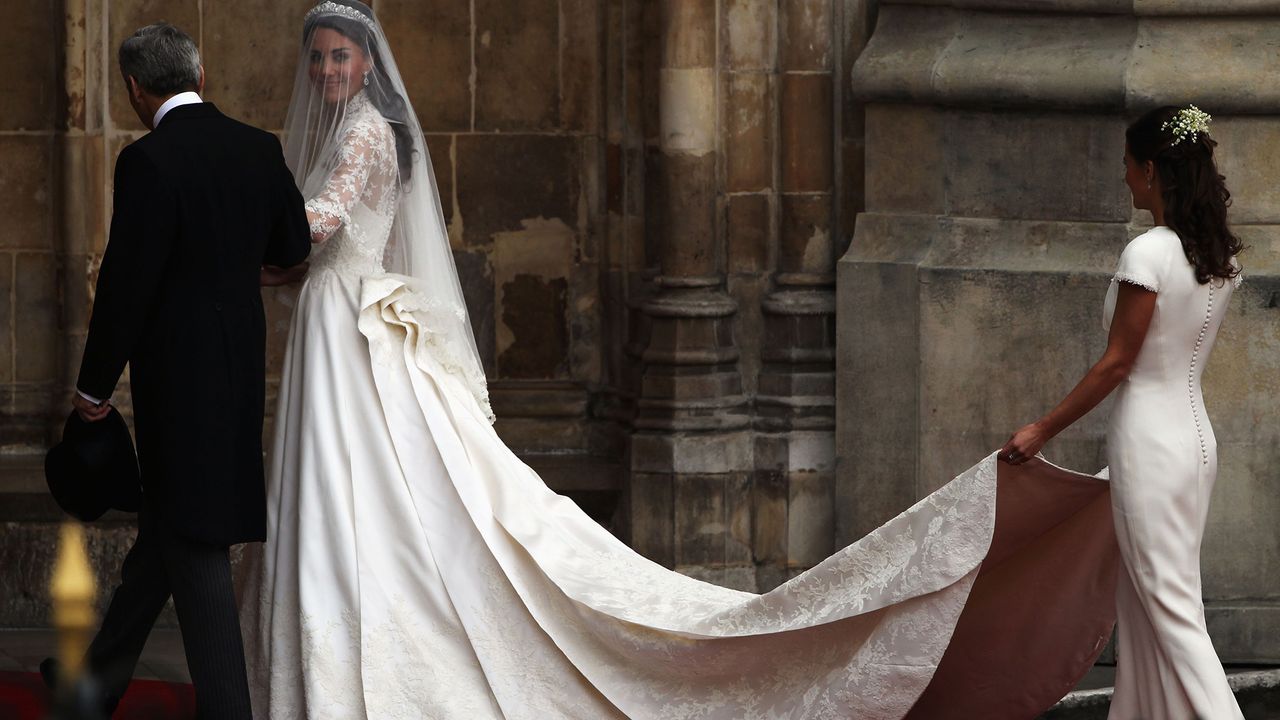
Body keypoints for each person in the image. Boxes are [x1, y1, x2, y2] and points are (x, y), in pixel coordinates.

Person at [239, 2, 1123, 718]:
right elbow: (336, 238)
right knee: (358, 486)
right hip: (342, 318)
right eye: (316, 58)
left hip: (349, 321)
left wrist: (239, 240)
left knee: (379, 488)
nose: (326, 72)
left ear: (366, 64)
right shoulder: (353, 129)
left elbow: (319, 226)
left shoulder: (361, 134)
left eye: (339, 58)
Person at [48, 22, 311, 718]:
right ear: (202, 75)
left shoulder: (149, 161)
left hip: (176, 389)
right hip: (238, 376)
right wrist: (229, 272)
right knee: (167, 533)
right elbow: (292, 247)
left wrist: (92, 391)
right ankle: (96, 683)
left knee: (192, 543)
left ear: (135, 88)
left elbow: (126, 287)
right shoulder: (259, 148)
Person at [1001, 105, 1245, 720]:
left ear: (1152, 170)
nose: (1125, 179)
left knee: (1168, 609)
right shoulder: (1220, 257)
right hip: (1195, 442)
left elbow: (1117, 365)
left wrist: (1041, 429)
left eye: (1129, 167)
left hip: (1150, 443)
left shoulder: (1150, 252)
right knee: (1144, 609)